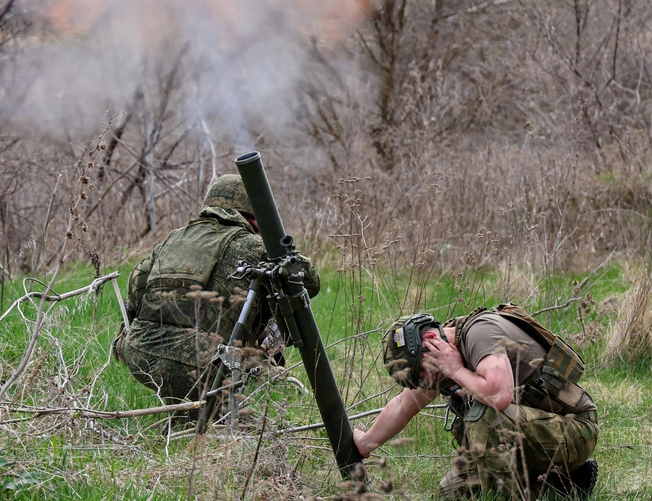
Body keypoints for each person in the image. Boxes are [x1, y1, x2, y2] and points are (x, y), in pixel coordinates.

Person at [113, 174, 319, 404]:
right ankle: (256, 394)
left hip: (140, 353)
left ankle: (187, 406)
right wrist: (274, 242)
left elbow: (136, 292)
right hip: (204, 362)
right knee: (253, 405)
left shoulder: (173, 239)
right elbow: (310, 282)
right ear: (252, 218)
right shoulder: (253, 245)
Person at [354, 308, 599, 499]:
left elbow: (499, 395)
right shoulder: (439, 356)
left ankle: (522, 490)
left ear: (430, 339)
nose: (424, 382)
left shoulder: (479, 334)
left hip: (574, 431)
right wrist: (366, 443)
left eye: (421, 373)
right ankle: (564, 484)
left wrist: (456, 370)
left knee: (485, 415)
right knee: (448, 496)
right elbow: (402, 406)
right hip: (529, 435)